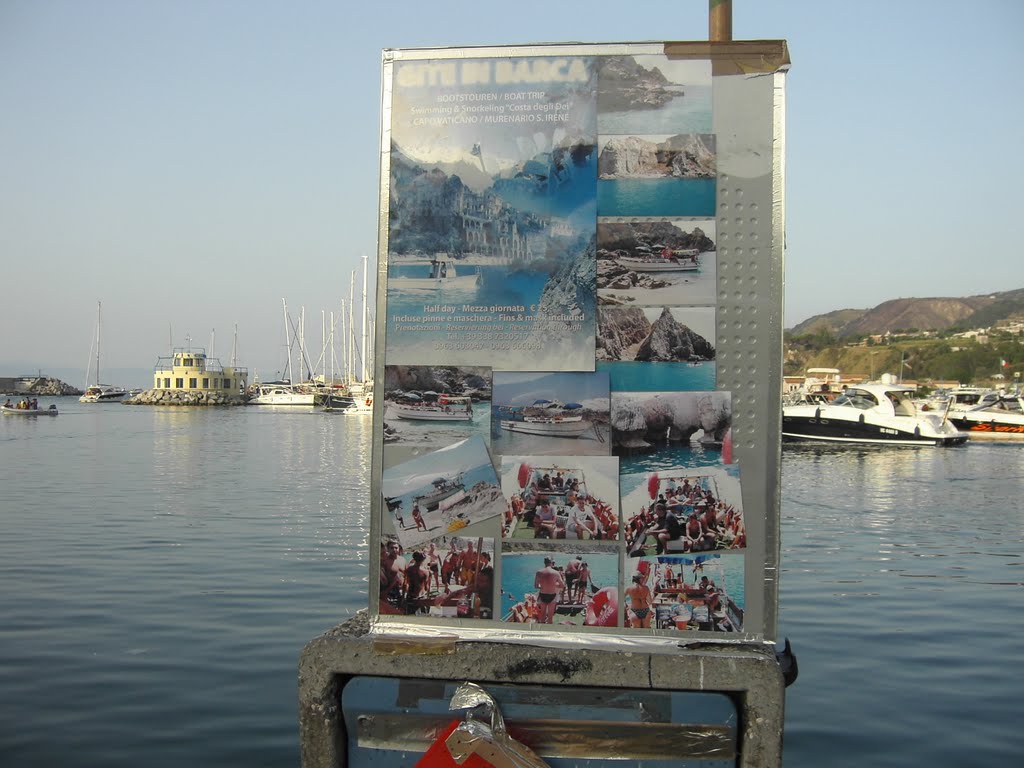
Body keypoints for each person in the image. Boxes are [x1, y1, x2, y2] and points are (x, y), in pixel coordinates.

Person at [533, 557, 565, 624]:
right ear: (551, 563)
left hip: (542, 595)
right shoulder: (556, 573)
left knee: (542, 616)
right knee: (550, 617)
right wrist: (554, 585)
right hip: (552, 595)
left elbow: (536, 586)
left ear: (544, 563)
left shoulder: (539, 572)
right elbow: (562, 585)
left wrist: (543, 586)